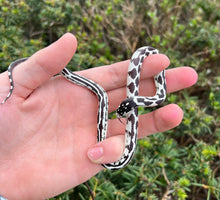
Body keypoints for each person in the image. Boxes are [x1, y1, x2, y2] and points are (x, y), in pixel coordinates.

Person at [0, 33, 198, 200]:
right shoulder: (133, 99)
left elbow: (151, 99)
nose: (122, 112)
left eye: (123, 109)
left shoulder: (150, 97)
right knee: (104, 101)